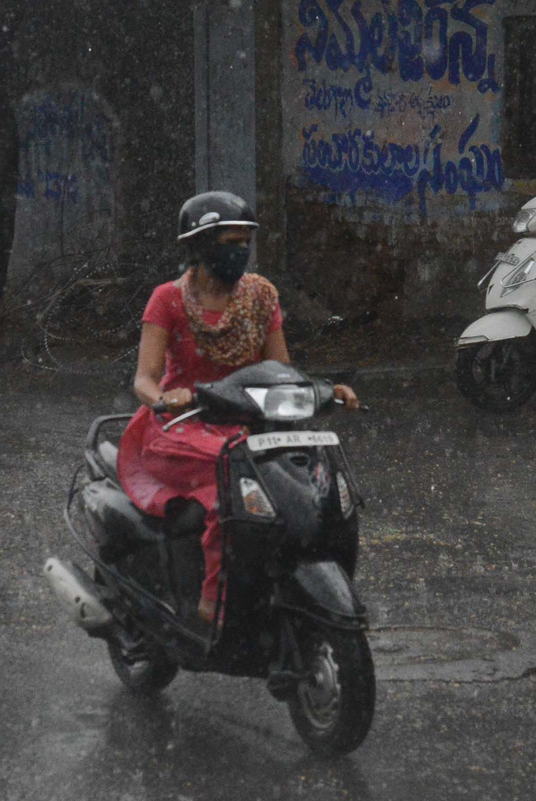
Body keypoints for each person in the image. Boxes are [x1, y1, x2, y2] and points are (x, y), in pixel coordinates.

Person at [116, 191, 359, 626]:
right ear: (201, 246)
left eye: (245, 242)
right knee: (231, 487)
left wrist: (324, 390)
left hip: (247, 424)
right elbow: (144, 379)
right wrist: (164, 399)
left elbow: (279, 369)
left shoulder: (261, 296)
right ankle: (214, 601)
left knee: (306, 486)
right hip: (182, 427)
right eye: (229, 243)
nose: (240, 252)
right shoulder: (167, 300)